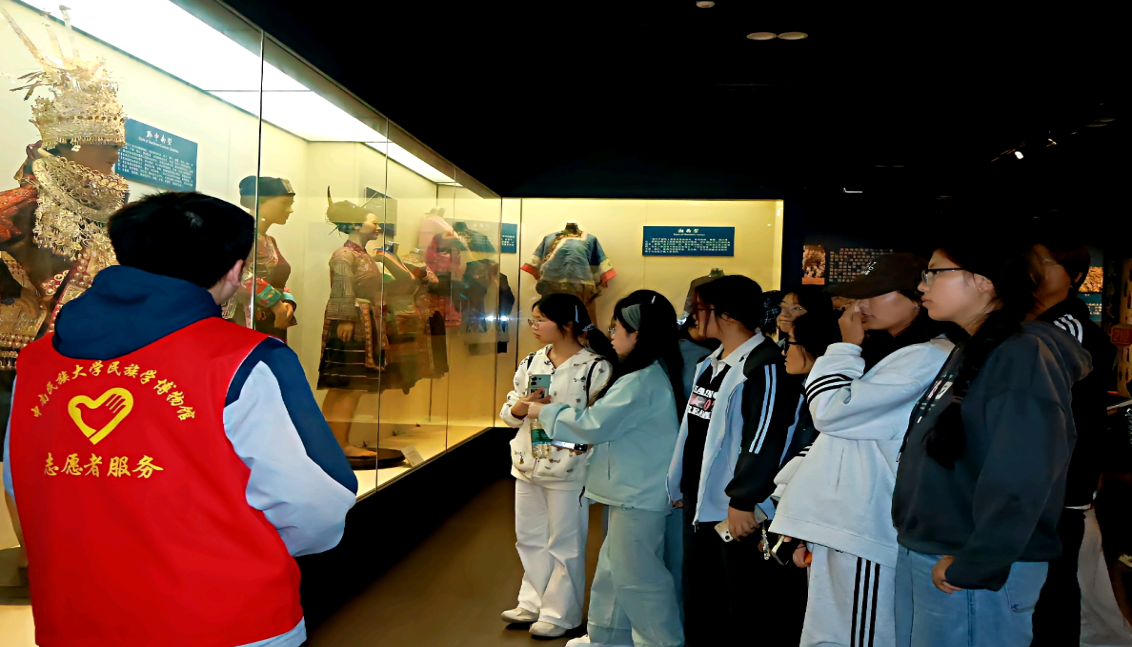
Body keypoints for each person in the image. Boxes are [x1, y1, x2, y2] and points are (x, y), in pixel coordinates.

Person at [2, 192, 357, 647]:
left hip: (77, 616)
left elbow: (20, 480)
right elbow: (315, 501)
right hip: (225, 619)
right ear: (235, 270)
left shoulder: (38, 362)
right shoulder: (245, 358)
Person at [892, 238, 1091, 647]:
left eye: (934, 273)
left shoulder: (1021, 355)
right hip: (938, 552)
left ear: (983, 280)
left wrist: (976, 563)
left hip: (969, 566)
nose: (922, 285)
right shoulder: (976, 346)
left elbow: (1023, 475)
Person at [770, 254, 955, 647]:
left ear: (916, 297)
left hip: (868, 523)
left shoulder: (929, 355)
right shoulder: (899, 351)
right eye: (856, 296)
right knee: (833, 635)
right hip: (850, 521)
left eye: (875, 294)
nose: (860, 306)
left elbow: (830, 411)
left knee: (858, 636)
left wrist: (843, 348)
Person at [528, 290, 685, 647]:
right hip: (629, 491)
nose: (611, 335)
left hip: (637, 493)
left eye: (616, 328)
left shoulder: (641, 380)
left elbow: (593, 424)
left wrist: (545, 411)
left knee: (638, 579)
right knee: (615, 571)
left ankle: (661, 643)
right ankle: (608, 637)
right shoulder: (646, 373)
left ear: (638, 334)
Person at [666, 275, 807, 645]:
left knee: (742, 601)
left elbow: (764, 438)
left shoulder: (764, 365)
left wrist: (743, 499)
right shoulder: (712, 362)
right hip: (702, 499)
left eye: (699, 308)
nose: (692, 316)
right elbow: (694, 433)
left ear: (725, 314)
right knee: (704, 594)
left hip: (735, 507)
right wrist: (681, 483)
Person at [498, 293, 615, 639]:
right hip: (527, 463)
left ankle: (560, 612)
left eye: (541, 320)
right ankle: (532, 601)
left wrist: (552, 414)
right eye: (532, 320)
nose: (534, 326)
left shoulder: (595, 367)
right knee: (529, 537)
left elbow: (597, 422)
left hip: (569, 468)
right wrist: (522, 407)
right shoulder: (532, 361)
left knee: (565, 542)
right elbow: (510, 411)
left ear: (567, 323)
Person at [1027, 238, 1117, 646]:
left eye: (1045, 263)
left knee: (1054, 591)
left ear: (1075, 277)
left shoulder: (1067, 329)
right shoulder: (1029, 323)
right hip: (1040, 480)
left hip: (1059, 483)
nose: (1033, 271)